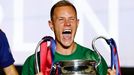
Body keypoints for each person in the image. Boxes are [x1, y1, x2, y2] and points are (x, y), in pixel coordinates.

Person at [22, 0, 116, 75]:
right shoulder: (35, 61)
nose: (67, 24)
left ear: (77, 23)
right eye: (61, 19)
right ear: (51, 25)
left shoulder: (94, 58)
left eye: (71, 19)